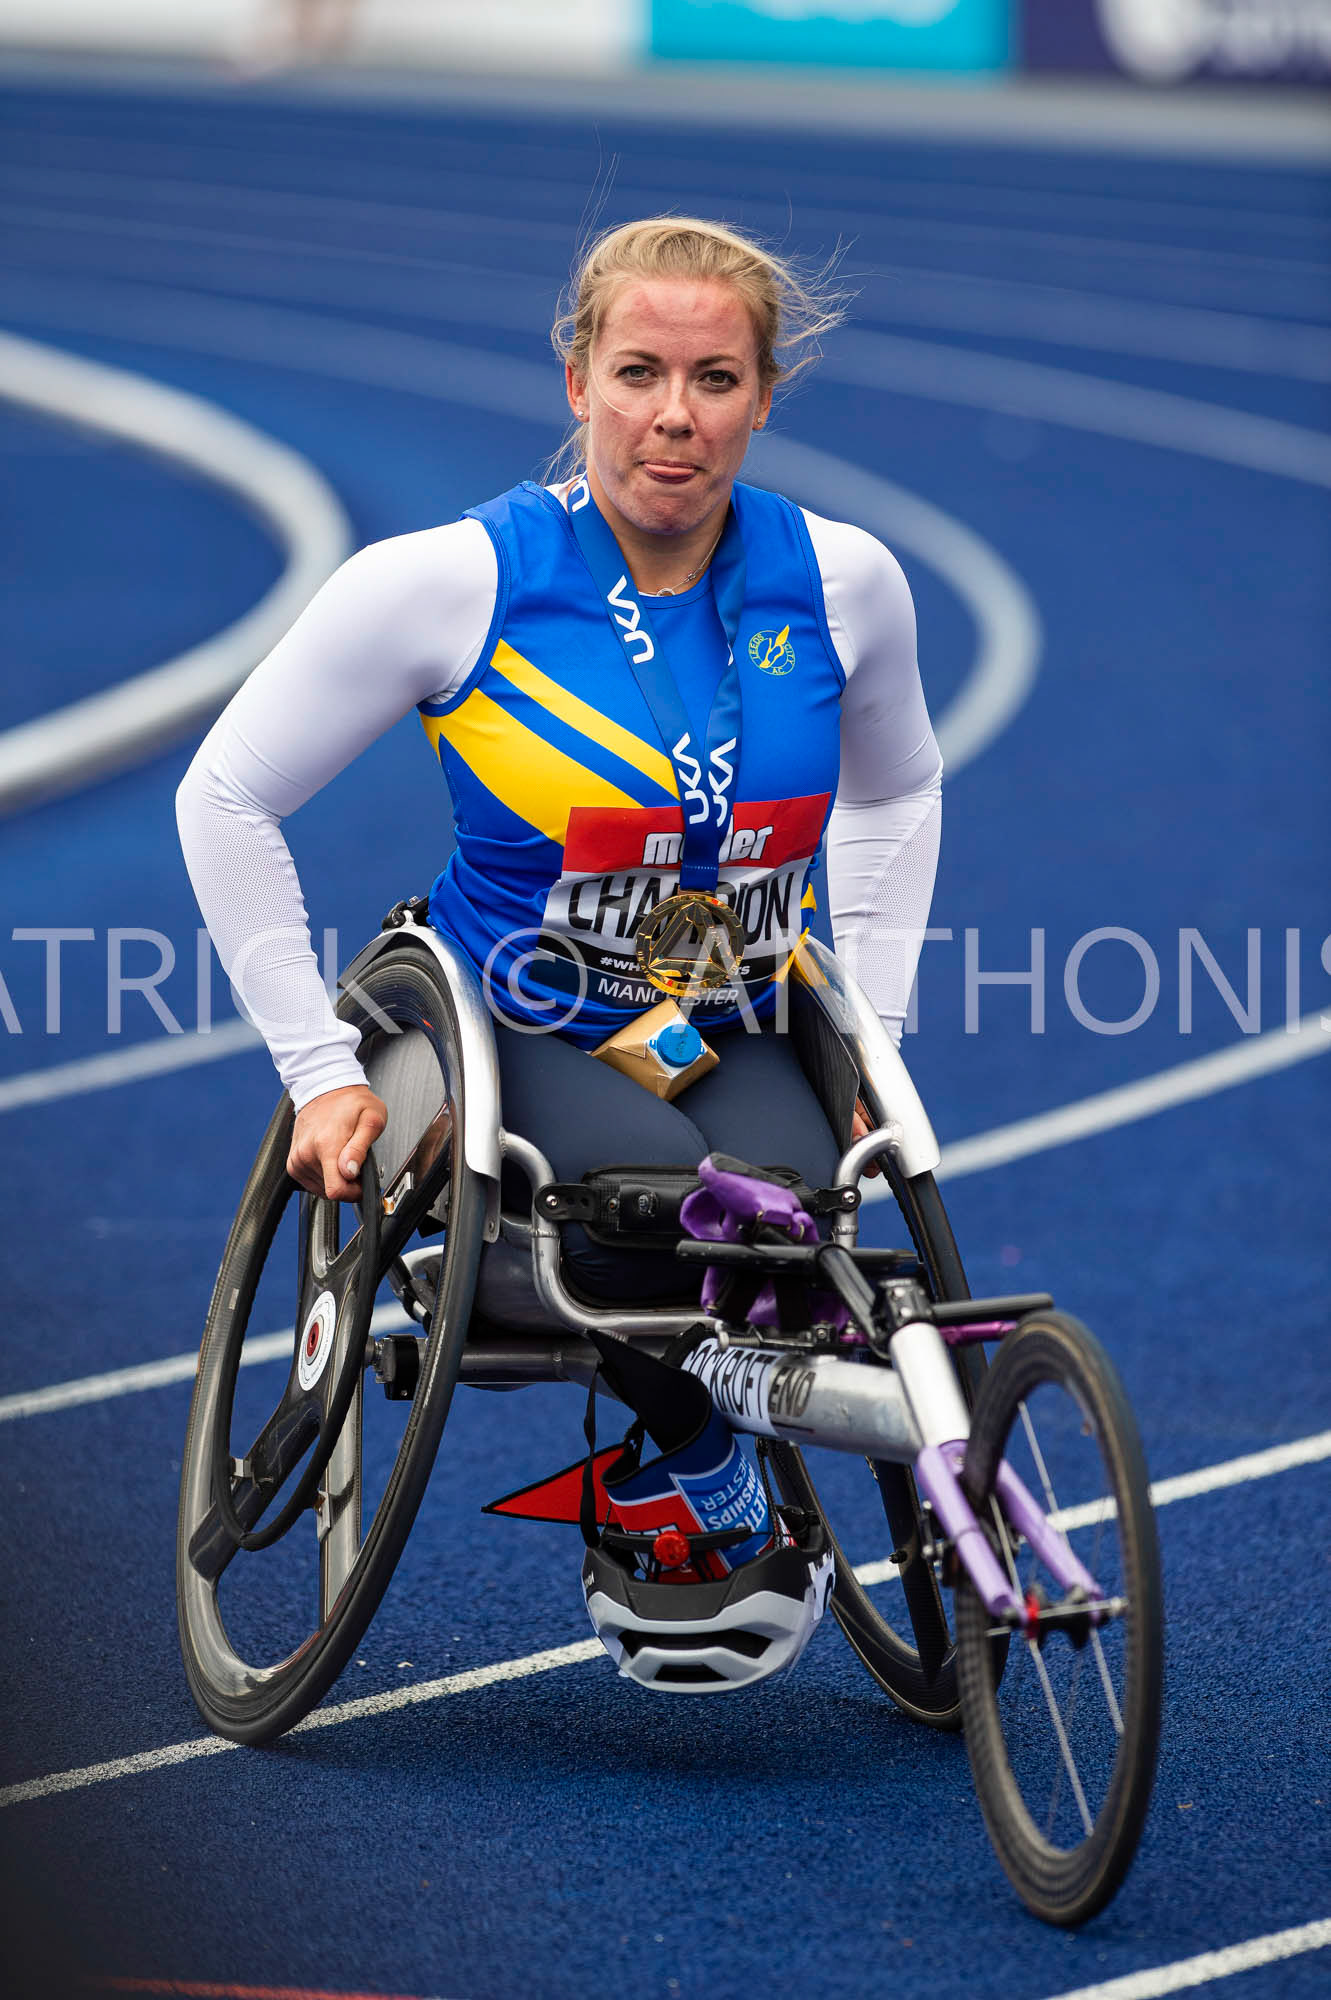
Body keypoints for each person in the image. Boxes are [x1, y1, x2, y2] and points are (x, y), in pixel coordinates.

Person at [176, 216, 942, 1302]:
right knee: (656, 1219)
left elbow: (899, 786)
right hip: (518, 1020)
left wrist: (876, 1036)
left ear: (762, 399)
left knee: (802, 1238)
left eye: (714, 378)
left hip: (730, 1019)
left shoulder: (840, 581)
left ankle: (671, 1455)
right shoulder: (449, 582)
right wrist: (318, 1072)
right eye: (638, 372)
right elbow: (225, 794)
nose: (674, 414)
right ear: (578, 382)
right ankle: (683, 1449)